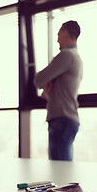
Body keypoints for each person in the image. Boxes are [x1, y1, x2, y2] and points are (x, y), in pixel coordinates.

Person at [34, 20, 83, 161]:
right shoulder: (75, 57)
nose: (56, 39)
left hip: (62, 120)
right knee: (61, 170)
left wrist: (44, 83)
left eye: (58, 34)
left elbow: (38, 80)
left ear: (66, 33)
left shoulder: (67, 55)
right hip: (65, 119)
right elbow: (53, 91)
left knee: (60, 173)